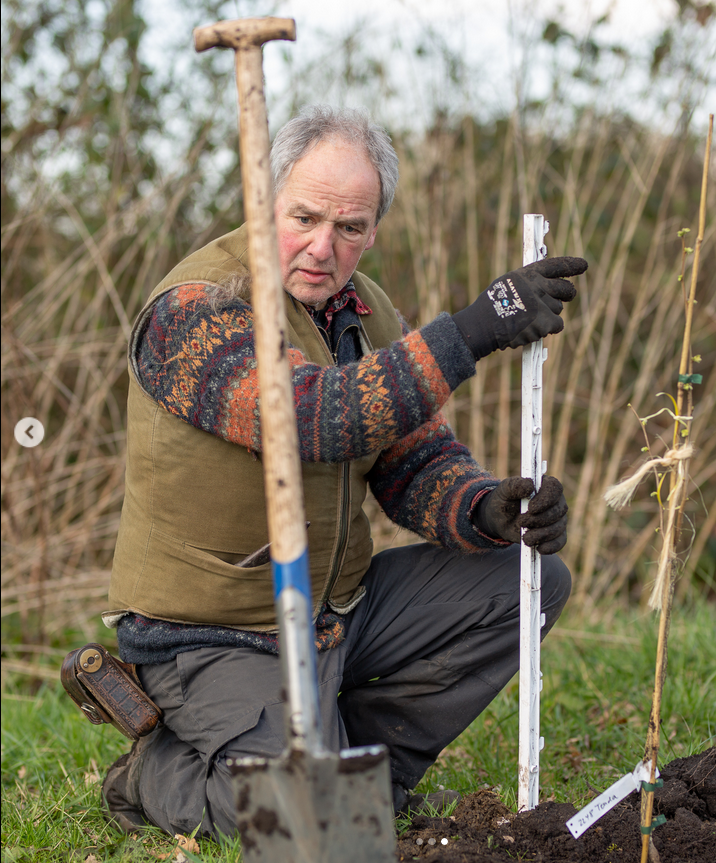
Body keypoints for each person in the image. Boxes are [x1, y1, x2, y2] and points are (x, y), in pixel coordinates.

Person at [100, 105, 588, 839]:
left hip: (335, 614)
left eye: (351, 227)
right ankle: (154, 772)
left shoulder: (364, 309)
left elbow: (409, 458)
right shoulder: (196, 308)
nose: (323, 247)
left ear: (373, 229)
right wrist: (471, 331)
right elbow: (309, 417)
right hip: (212, 631)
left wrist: (486, 508)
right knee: (304, 826)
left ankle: (369, 777)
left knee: (527, 581)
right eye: (303, 217)